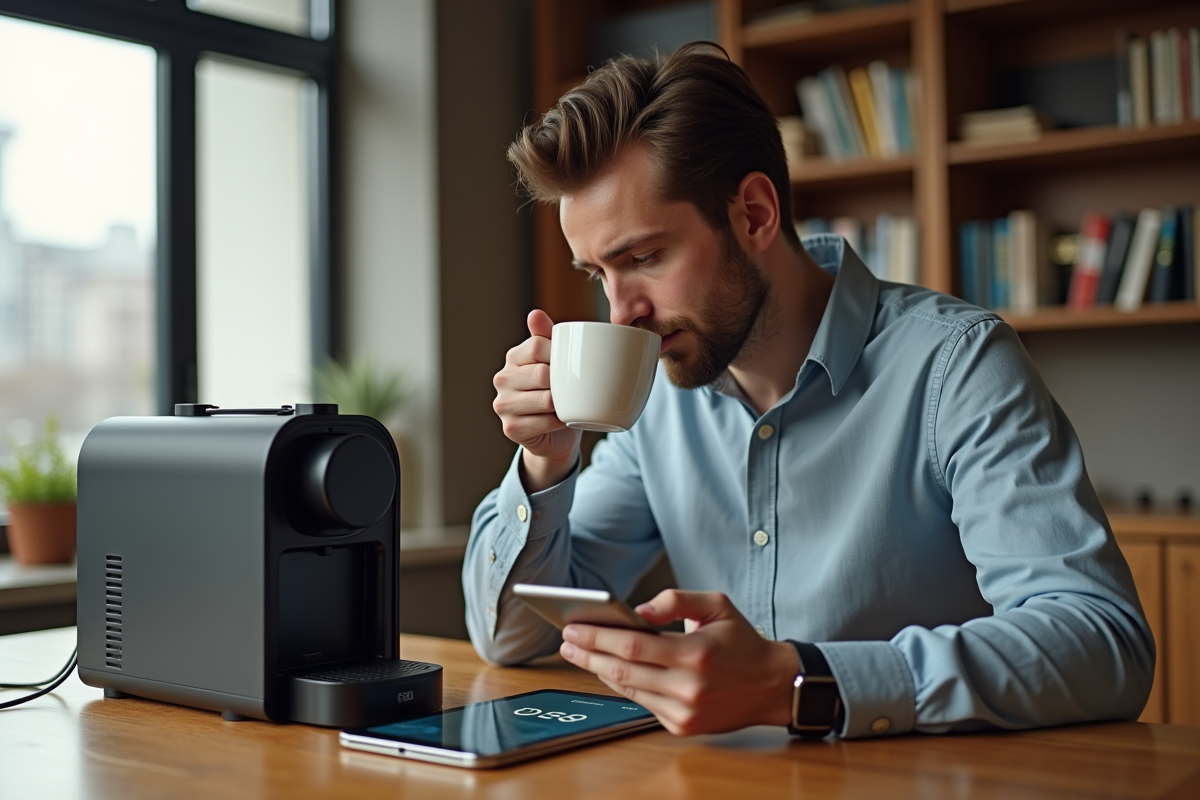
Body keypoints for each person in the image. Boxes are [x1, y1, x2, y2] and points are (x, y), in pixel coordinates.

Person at [462, 42, 1153, 739]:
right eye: (597, 274)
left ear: (755, 214)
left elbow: (1103, 643)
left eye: (644, 258)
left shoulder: (956, 366)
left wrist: (804, 681)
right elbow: (511, 638)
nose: (621, 312)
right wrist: (546, 464)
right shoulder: (662, 400)